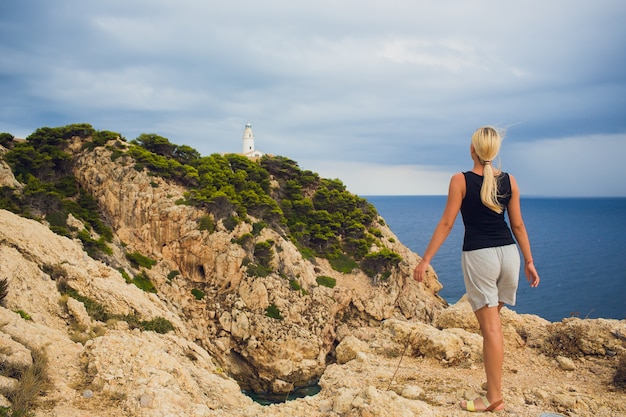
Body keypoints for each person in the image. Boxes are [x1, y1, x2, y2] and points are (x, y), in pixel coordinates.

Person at [413, 126, 540, 413]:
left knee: (491, 329)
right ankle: (492, 385)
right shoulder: (510, 180)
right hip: (509, 255)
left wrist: (425, 260)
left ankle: (494, 397)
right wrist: (530, 261)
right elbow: (518, 225)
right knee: (492, 326)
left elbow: (447, 223)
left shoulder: (459, 180)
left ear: (472, 149)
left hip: (480, 256)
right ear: (494, 152)